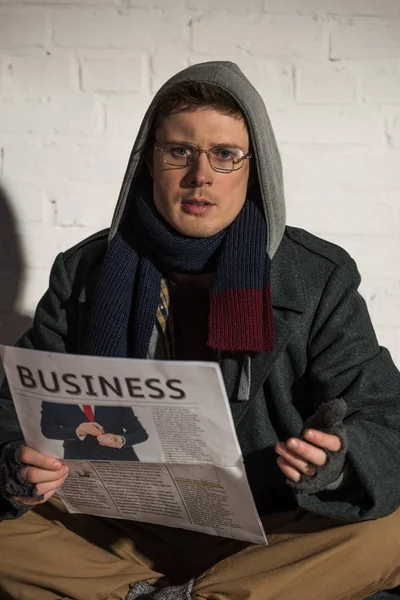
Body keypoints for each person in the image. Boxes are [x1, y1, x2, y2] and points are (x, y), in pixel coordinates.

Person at [0, 61, 400, 600]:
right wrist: (15, 464)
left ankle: (162, 595)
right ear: (149, 162)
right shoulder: (83, 271)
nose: (200, 176)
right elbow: (13, 407)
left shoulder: (318, 277)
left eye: (225, 154)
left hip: (268, 534)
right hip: (121, 529)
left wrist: (337, 462)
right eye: (180, 152)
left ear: (254, 168)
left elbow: (385, 415)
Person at [40, 401, 148, 460]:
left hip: (123, 459)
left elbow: (140, 433)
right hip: (81, 461)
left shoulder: (114, 397)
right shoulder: (53, 401)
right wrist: (77, 432)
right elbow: (48, 429)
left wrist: (121, 440)